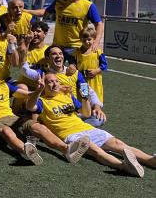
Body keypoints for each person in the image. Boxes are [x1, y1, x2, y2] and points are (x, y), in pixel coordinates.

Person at [26, 73, 154, 176]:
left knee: (119, 144)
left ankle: (150, 160)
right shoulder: (42, 101)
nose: (55, 84)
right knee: (95, 150)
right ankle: (124, 166)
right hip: (70, 135)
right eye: (50, 82)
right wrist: (38, 90)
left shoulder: (66, 96)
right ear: (44, 85)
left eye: (56, 81)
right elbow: (30, 106)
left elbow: (85, 112)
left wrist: (85, 96)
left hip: (87, 128)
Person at [28, 0, 103, 62]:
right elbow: (44, 12)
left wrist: (96, 42)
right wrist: (27, 11)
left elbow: (99, 24)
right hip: (57, 46)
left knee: (75, 73)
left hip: (76, 47)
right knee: (53, 72)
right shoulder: (59, 2)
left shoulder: (88, 6)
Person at [74, 28, 107, 104]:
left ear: (94, 39)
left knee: (96, 101)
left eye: (89, 39)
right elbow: (73, 64)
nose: (86, 42)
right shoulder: (77, 53)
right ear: (80, 40)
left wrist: (96, 71)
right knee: (84, 100)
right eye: (84, 40)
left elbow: (104, 65)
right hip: (82, 81)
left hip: (94, 81)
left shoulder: (98, 52)